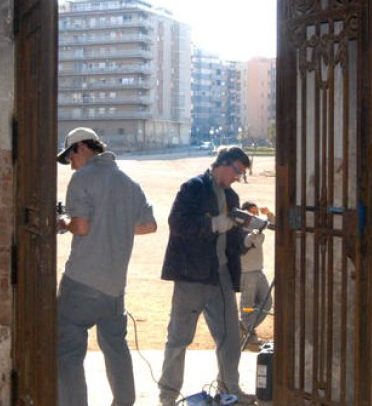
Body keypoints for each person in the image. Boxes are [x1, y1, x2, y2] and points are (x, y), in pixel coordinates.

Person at [55, 127, 158, 406]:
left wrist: (63, 224)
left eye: (70, 158)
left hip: (82, 282)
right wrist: (115, 225)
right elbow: (149, 225)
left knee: (67, 353)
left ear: (82, 148)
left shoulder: (82, 178)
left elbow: (82, 226)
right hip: (115, 288)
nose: (71, 165)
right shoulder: (129, 182)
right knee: (115, 348)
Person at [157, 145, 255, 406]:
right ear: (223, 163)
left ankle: (229, 389)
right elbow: (177, 224)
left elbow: (232, 237)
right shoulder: (193, 188)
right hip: (191, 277)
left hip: (220, 275)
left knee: (230, 337)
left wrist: (246, 241)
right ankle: (167, 396)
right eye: (237, 171)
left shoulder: (232, 198)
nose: (237, 178)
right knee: (179, 338)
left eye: (241, 174)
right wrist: (212, 224)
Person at [238, 201, 273, 347]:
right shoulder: (241, 231)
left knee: (267, 303)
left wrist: (269, 215)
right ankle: (248, 332)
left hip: (258, 271)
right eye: (252, 215)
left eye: (256, 214)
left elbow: (276, 225)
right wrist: (261, 227)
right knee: (247, 307)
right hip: (247, 274)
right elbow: (253, 240)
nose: (255, 217)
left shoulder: (255, 229)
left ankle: (244, 327)